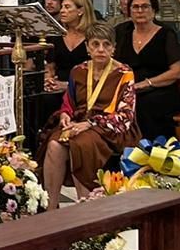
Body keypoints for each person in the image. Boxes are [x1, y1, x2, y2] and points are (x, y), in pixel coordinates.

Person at [40, 21, 140, 202]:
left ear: (113, 48)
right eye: (95, 44)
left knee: (79, 144)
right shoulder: (78, 70)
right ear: (87, 47)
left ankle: (85, 207)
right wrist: (65, 116)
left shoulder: (124, 73)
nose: (101, 49)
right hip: (79, 123)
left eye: (106, 44)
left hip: (109, 127)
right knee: (54, 144)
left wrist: (91, 123)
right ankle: (51, 207)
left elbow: (126, 116)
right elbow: (68, 103)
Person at [113, 0, 180, 141]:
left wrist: (146, 83)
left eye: (145, 6)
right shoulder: (122, 32)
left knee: (144, 103)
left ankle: (151, 148)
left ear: (154, 10)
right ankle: (120, 150)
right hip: (128, 87)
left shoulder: (166, 34)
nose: (140, 11)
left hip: (160, 88)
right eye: (135, 7)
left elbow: (176, 72)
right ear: (129, 11)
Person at [44, 0, 96, 92]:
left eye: (67, 7)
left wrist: (68, 85)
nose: (62, 11)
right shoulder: (57, 35)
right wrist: (49, 79)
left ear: (80, 11)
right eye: (62, 7)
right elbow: (50, 66)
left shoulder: (94, 36)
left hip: (86, 88)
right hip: (58, 88)